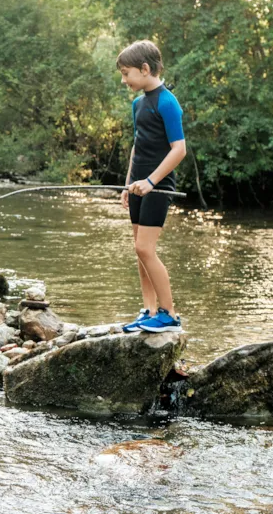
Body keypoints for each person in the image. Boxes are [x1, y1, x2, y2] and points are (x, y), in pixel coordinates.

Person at [117, 40, 186, 333]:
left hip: (158, 187)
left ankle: (169, 314)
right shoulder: (138, 103)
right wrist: (128, 183)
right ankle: (149, 309)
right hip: (138, 185)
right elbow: (138, 146)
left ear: (145, 69)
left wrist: (150, 181)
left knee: (146, 248)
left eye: (126, 73)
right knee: (138, 249)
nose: (124, 80)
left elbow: (179, 149)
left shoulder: (167, 102)